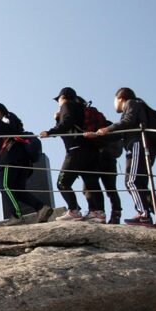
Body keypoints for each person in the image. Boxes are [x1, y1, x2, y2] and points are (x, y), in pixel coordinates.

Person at [90, 88, 156, 228]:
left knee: (131, 181)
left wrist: (107, 129)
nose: (113, 104)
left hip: (138, 145)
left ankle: (143, 216)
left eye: (114, 100)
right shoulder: (136, 107)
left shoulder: (131, 103)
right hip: (144, 146)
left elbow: (127, 121)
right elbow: (122, 131)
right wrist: (98, 135)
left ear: (121, 97)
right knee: (139, 184)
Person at [40, 87, 105, 222]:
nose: (58, 102)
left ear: (62, 97)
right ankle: (98, 212)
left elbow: (67, 123)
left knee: (62, 182)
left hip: (76, 149)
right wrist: (58, 119)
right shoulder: (81, 107)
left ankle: (74, 210)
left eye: (58, 99)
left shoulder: (67, 105)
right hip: (90, 148)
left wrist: (50, 132)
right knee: (91, 182)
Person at [0, 104, 53, 224]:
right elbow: (5, 138)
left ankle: (16, 216)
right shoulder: (8, 125)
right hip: (22, 162)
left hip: (11, 160)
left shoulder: (7, 117)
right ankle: (41, 208)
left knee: (5, 186)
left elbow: (9, 130)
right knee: (18, 190)